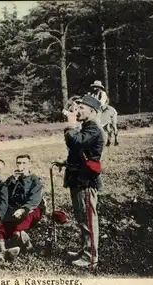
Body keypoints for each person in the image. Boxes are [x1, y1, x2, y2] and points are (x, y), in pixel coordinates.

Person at [53, 94, 104, 268]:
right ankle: (85, 250)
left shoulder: (93, 129)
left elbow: (76, 142)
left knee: (88, 220)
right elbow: (80, 153)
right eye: (78, 107)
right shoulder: (85, 128)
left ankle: (91, 258)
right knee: (82, 219)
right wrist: (66, 162)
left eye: (82, 108)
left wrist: (70, 124)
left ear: (93, 111)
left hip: (86, 181)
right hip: (78, 178)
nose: (77, 110)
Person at [0, 155, 44, 254]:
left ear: (29, 164)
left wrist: (23, 209)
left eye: (24, 163)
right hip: (15, 208)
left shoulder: (34, 181)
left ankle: (20, 239)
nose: (21, 166)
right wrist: (12, 182)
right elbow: (5, 195)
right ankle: (23, 241)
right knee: (5, 221)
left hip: (32, 209)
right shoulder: (13, 179)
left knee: (19, 223)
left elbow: (34, 200)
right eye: (19, 163)